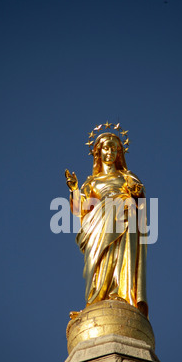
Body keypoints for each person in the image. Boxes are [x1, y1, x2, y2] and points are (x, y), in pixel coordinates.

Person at [65, 131, 148, 317]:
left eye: (114, 148)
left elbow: (140, 198)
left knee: (121, 253)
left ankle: (119, 292)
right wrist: (74, 190)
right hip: (98, 223)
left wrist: (136, 194)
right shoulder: (91, 182)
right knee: (96, 262)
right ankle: (95, 299)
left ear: (119, 153)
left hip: (124, 216)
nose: (110, 152)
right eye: (105, 148)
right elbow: (81, 209)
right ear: (98, 152)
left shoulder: (127, 177)